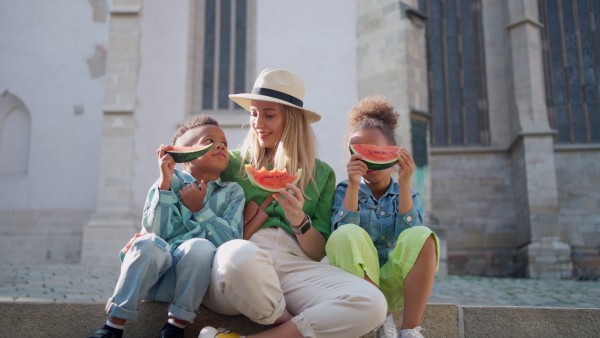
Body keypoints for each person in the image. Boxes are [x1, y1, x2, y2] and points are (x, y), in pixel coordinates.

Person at [198, 69, 387, 338]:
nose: (258, 123)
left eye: (269, 114)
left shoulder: (321, 174)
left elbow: (317, 251)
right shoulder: (229, 162)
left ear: (294, 119)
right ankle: (287, 321)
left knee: (372, 303)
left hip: (294, 266)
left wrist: (298, 218)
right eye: (254, 113)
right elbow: (186, 180)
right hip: (235, 271)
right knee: (239, 254)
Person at [86, 115, 245, 338]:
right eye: (208, 141)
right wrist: (164, 184)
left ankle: (175, 327)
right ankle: (112, 326)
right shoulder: (167, 180)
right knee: (148, 242)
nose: (220, 145)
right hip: (150, 279)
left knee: (200, 246)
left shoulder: (232, 192)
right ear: (185, 154)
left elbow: (230, 240)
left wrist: (200, 209)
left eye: (224, 143)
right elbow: (156, 233)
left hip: (189, 282)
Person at [325, 96, 439, 338]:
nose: (370, 163)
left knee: (423, 234)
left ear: (395, 155)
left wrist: (405, 184)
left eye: (377, 153)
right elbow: (342, 239)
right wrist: (354, 185)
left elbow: (411, 242)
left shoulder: (409, 193)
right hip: (357, 284)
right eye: (362, 155)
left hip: (397, 283)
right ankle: (381, 317)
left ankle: (410, 330)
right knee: (345, 233)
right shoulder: (345, 192)